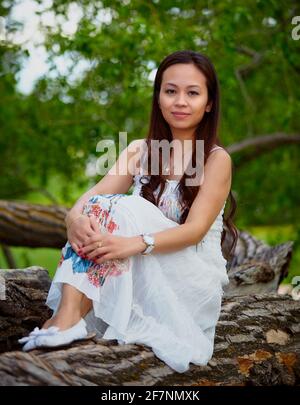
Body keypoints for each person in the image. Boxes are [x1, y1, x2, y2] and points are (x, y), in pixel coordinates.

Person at [18, 50, 238, 374]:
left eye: (192, 93)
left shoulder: (217, 159)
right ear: (158, 97)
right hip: (141, 264)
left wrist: (133, 243)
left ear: (208, 103)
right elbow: (93, 196)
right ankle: (66, 318)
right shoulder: (139, 149)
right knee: (97, 208)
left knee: (124, 205)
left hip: (189, 276)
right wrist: (73, 220)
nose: (180, 101)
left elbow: (195, 231)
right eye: (170, 91)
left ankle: (64, 322)